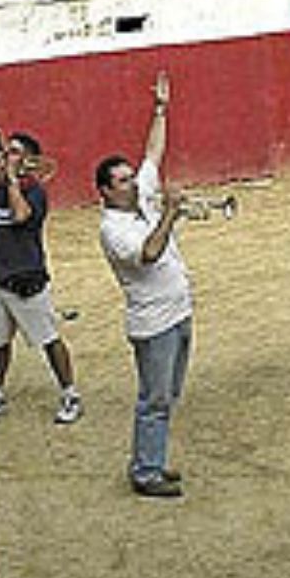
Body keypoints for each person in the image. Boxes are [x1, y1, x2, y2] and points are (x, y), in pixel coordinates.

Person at [95, 71, 193, 498]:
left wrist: (160, 108)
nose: (132, 183)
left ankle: (150, 459)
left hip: (178, 311)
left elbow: (153, 152)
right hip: (154, 323)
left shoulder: (139, 196)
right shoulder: (112, 229)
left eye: (129, 177)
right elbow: (149, 253)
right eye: (121, 181)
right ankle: (145, 471)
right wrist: (171, 212)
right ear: (104, 192)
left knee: (167, 395)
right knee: (154, 399)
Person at [0, 131, 81, 425]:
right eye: (5, 151)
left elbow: (21, 217)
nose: (5, 157)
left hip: (25, 279)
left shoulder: (34, 191)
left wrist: (13, 182)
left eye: (13, 152)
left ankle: (70, 393)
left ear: (29, 160)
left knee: (48, 339)